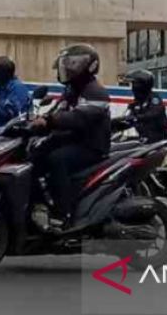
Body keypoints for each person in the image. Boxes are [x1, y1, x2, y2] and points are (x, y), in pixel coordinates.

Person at [30, 44, 111, 225]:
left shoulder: (95, 91)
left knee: (57, 160)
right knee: (34, 153)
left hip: (91, 146)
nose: (68, 68)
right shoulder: (71, 91)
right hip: (73, 140)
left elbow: (79, 118)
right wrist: (39, 121)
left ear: (88, 66)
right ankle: (39, 203)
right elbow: (59, 110)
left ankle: (62, 213)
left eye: (74, 63)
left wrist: (50, 121)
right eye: (67, 63)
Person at [121, 70, 167, 143]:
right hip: (144, 139)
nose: (132, 88)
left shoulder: (154, 99)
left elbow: (154, 113)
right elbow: (128, 116)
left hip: (159, 141)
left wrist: (137, 117)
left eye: (134, 84)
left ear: (141, 85)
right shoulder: (137, 102)